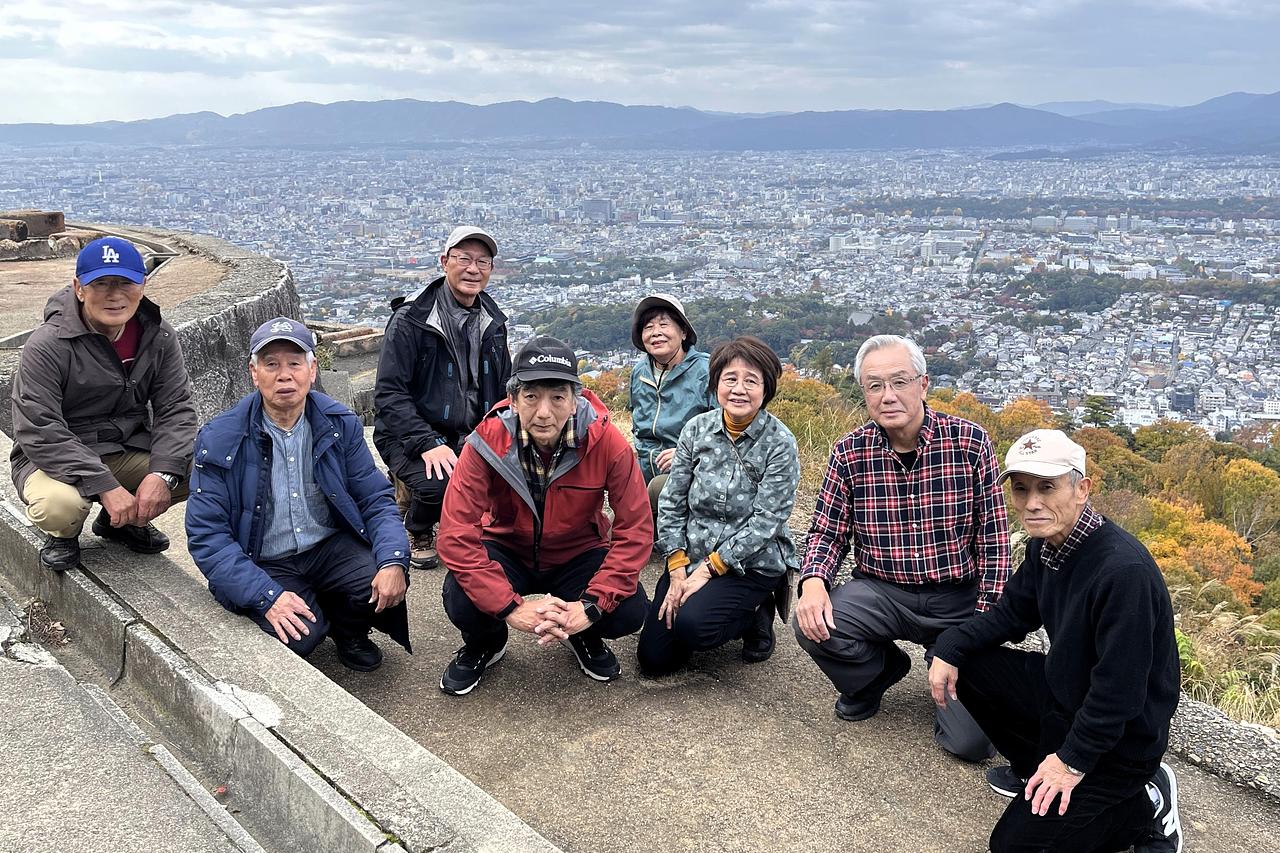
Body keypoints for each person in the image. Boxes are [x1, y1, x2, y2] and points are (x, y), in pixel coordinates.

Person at [928, 430, 1182, 853]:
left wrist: (1070, 763)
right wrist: (949, 645)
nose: (1031, 502)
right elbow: (1011, 616)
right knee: (964, 659)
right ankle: (1036, 770)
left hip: (1119, 742)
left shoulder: (1122, 572)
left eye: (1047, 487)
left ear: (1082, 489)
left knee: (1014, 847)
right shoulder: (1047, 547)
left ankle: (1144, 809)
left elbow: (1119, 694)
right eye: (1021, 488)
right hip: (1066, 700)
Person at [793, 334, 1009, 762]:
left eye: (899, 382)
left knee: (971, 744)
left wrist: (980, 632)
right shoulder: (850, 452)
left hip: (955, 598)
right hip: (881, 590)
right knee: (811, 622)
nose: (887, 396)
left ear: (923, 384)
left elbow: (995, 544)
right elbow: (826, 531)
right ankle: (875, 674)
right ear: (864, 393)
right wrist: (814, 580)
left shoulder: (969, 443)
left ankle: (947, 671)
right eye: (874, 385)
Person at [186, 318, 411, 671]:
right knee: (302, 636)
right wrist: (266, 595)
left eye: (294, 363)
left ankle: (349, 631)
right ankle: (308, 610)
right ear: (253, 372)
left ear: (312, 368)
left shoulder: (339, 424)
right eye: (271, 364)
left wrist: (393, 559)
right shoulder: (220, 437)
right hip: (262, 556)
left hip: (326, 546)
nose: (284, 375)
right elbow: (207, 535)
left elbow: (374, 498)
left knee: (383, 577)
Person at [436, 336, 651, 694]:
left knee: (628, 609)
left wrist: (591, 608)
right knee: (460, 594)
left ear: (575, 399)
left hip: (577, 552)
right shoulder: (485, 443)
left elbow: (636, 529)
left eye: (557, 397)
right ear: (514, 399)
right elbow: (456, 535)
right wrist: (509, 607)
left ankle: (580, 633)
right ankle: (485, 643)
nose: (544, 412)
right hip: (507, 548)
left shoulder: (606, 441)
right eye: (532, 396)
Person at [10, 236, 196, 571]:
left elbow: (176, 409)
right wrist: (105, 486)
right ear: (79, 288)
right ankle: (63, 535)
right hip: (54, 459)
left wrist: (163, 474)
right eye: (101, 284)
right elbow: (41, 429)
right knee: (59, 506)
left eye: (125, 282)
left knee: (208, 469)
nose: (114, 295)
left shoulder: (158, 336)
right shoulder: (48, 345)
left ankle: (121, 524)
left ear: (143, 285)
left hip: (123, 446)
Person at [636, 336, 799, 675]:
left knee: (695, 628)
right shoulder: (696, 430)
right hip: (693, 552)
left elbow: (767, 521)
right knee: (654, 660)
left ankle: (756, 613)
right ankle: (704, 612)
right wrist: (677, 565)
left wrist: (710, 569)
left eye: (751, 380)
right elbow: (672, 499)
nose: (739, 389)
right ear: (716, 384)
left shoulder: (780, 443)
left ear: (766, 389)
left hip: (751, 561)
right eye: (730, 379)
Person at [373, 226, 511, 570]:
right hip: (410, 435)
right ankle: (417, 524)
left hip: (471, 433)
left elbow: (505, 386)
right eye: (464, 259)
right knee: (444, 484)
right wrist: (426, 442)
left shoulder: (493, 321)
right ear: (444, 262)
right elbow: (389, 393)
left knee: (511, 478)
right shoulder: (412, 320)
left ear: (491, 269)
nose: (473, 269)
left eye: (483, 261)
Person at [627, 293, 712, 515]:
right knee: (612, 530)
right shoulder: (639, 372)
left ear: (683, 332)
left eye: (664, 324)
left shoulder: (706, 371)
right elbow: (638, 428)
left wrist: (687, 454)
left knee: (658, 491)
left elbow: (725, 429)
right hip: (645, 470)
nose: (656, 332)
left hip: (693, 472)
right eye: (648, 327)